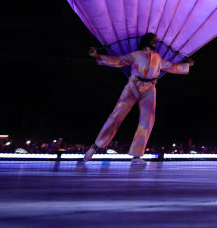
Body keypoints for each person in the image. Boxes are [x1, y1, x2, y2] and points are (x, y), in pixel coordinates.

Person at [82, 33, 193, 164]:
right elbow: (119, 61)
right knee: (117, 114)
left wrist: (187, 65)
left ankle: (137, 155)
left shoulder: (157, 57)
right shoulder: (136, 54)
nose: (154, 42)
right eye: (152, 39)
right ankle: (95, 147)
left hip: (150, 88)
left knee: (147, 120)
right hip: (133, 85)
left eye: (155, 40)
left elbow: (171, 67)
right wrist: (98, 56)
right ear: (146, 41)